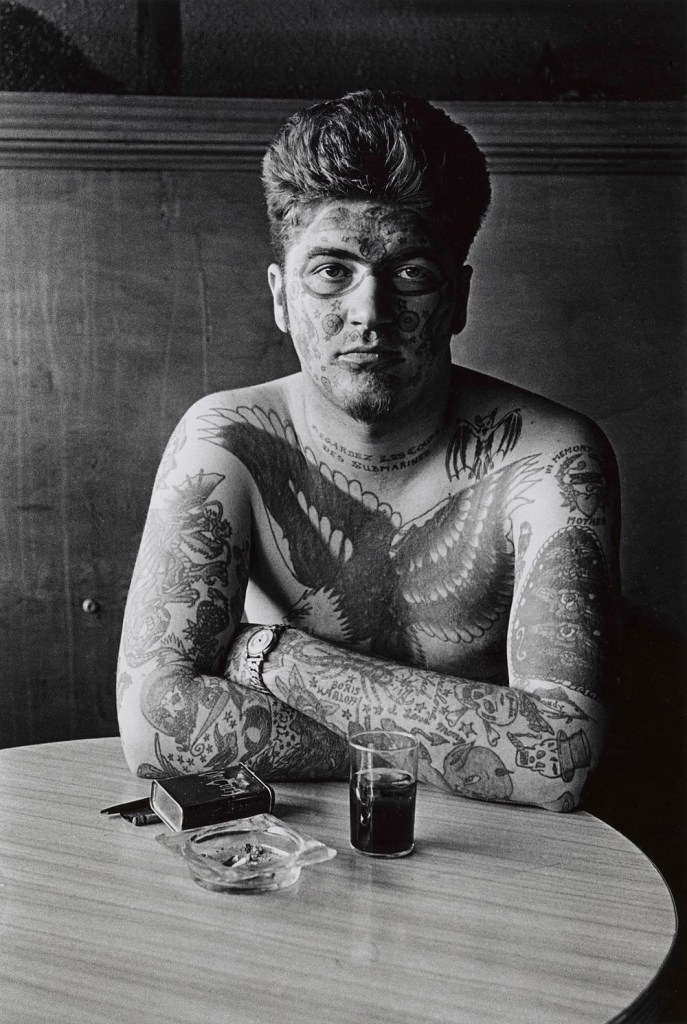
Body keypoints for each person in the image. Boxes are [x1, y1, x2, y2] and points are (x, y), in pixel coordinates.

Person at [117, 90, 620, 812]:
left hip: (500, 856)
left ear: (457, 299)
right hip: (297, 846)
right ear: (281, 296)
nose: (369, 313)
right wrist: (455, 745)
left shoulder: (547, 460)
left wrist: (269, 657)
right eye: (330, 271)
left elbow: (559, 761)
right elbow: (152, 731)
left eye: (410, 273)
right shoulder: (225, 439)